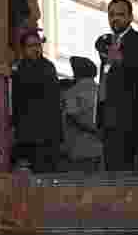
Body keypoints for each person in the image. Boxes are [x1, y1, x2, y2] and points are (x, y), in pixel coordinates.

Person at [99, 0, 138, 171]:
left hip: (128, 116)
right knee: (110, 166)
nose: (115, 19)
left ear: (130, 17)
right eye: (112, 15)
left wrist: (119, 59)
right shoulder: (107, 42)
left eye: (120, 14)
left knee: (125, 168)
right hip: (108, 116)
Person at [11, 30, 63, 172]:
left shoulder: (48, 67)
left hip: (47, 133)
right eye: (31, 46)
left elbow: (55, 101)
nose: (35, 48)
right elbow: (15, 101)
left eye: (38, 45)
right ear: (23, 49)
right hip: (26, 134)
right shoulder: (18, 69)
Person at [61, 57, 103, 173]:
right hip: (100, 147)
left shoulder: (71, 93)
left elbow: (73, 116)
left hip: (79, 147)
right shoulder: (101, 90)